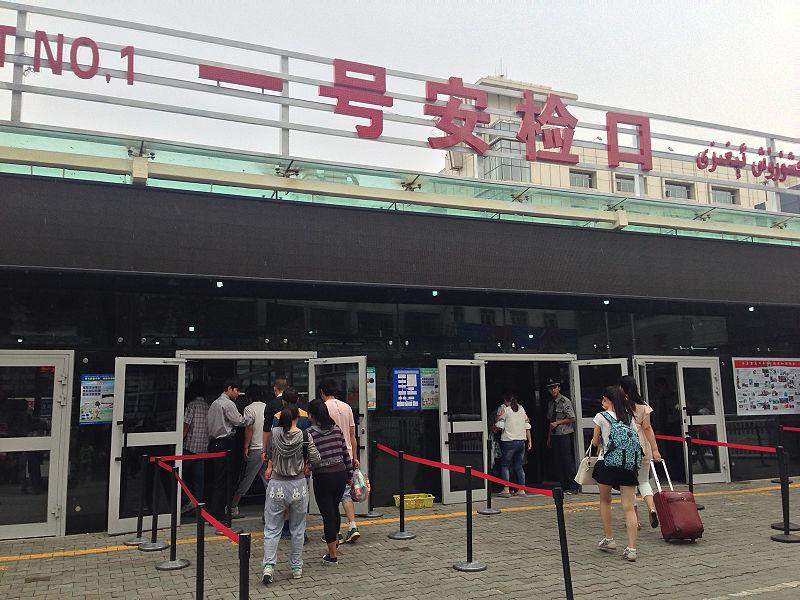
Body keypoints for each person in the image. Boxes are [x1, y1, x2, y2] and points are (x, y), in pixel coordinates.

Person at [262, 406, 320, 583]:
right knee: (297, 528)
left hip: (277, 485)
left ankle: (269, 566)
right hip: (298, 485)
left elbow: (270, 453)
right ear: (297, 418)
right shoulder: (304, 435)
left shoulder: (275, 433)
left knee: (272, 528)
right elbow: (316, 458)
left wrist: (271, 467)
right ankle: (296, 567)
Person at [591, 385, 641, 562]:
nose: (602, 403)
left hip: (607, 463)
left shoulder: (600, 416)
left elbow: (596, 442)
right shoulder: (628, 417)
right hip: (628, 465)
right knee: (629, 507)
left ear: (607, 399)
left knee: (605, 501)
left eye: (603, 400)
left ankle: (609, 539)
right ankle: (632, 549)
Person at [262, 387, 312, 541]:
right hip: (301, 464)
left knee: (282, 496)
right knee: (300, 497)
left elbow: (274, 442)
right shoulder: (305, 416)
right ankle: (300, 531)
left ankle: (284, 528)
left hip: (281, 464)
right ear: (297, 400)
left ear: (282, 401)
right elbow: (310, 441)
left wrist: (268, 461)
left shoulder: (278, 416)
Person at [307, 399, 352, 566]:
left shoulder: (310, 433)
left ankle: (332, 556)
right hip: (340, 474)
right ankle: (335, 543)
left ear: (311, 415)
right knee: (334, 509)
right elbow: (345, 452)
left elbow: (309, 458)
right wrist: (349, 473)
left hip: (322, 477)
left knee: (327, 515)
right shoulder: (336, 430)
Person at [319, 378, 361, 543]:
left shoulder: (323, 408)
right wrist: (355, 457)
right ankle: (352, 525)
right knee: (345, 493)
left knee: (330, 495)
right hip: (347, 455)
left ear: (322, 392)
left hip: (330, 455)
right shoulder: (347, 407)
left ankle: (333, 532)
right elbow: (352, 435)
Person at [619, 375, 662, 529]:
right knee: (643, 481)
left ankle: (634, 520)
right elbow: (648, 428)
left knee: (629, 484)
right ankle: (651, 508)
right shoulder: (643, 406)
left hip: (628, 447)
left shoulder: (621, 405)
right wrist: (655, 449)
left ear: (622, 388)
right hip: (644, 446)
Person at [207, 381, 254, 522]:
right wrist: (251, 418)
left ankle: (215, 512)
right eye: (237, 390)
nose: (238, 394)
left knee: (217, 479)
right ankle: (220, 515)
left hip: (214, 443)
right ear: (229, 389)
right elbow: (239, 421)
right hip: (225, 443)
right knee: (224, 480)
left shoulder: (214, 403)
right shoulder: (227, 404)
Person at [230, 384, 268, 519]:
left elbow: (249, 428)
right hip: (267, 448)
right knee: (267, 480)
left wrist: (245, 447)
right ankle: (271, 510)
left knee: (246, 479)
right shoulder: (267, 407)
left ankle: (233, 507)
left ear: (249, 397)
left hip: (256, 449)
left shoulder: (249, 409)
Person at [545, 379, 580, 494]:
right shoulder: (551, 403)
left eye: (555, 387)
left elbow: (572, 418)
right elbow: (551, 420)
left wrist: (558, 423)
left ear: (559, 388)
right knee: (558, 461)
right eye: (551, 388)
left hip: (564, 433)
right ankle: (564, 486)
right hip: (555, 434)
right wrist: (549, 437)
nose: (553, 390)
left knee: (567, 460)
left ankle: (573, 486)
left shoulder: (565, 401)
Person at [495, 392, 532, 497]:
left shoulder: (506, 410)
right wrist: (530, 441)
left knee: (505, 465)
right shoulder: (522, 410)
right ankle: (521, 489)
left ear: (506, 401)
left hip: (509, 442)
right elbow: (527, 424)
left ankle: (506, 489)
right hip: (521, 442)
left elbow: (499, 426)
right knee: (519, 466)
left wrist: (496, 423)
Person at [181, 386, 210, 513]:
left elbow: (186, 425)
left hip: (190, 447)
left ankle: (187, 501)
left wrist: (178, 440)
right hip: (203, 447)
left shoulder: (191, 405)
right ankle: (198, 504)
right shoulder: (208, 407)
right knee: (199, 479)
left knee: (180, 476)